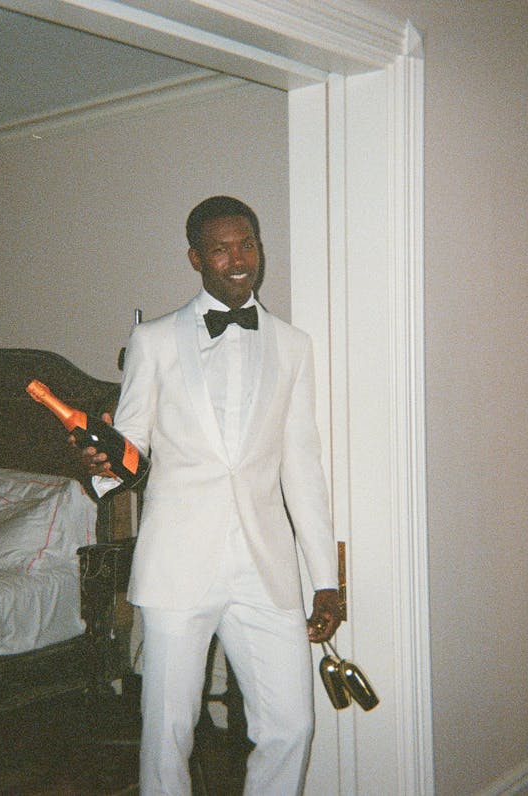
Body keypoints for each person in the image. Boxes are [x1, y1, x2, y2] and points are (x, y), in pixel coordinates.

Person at [79, 195, 341, 795]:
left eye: (247, 243)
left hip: (264, 565)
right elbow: (133, 444)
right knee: (168, 732)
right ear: (196, 258)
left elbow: (302, 466)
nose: (238, 257)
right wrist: (106, 462)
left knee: (292, 726)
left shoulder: (293, 345)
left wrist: (325, 577)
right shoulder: (155, 340)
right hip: (178, 564)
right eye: (221, 248)